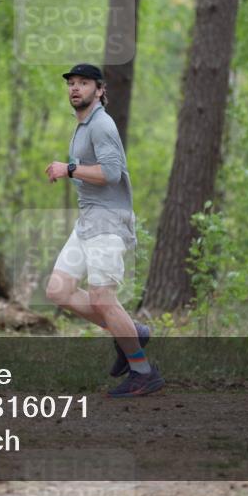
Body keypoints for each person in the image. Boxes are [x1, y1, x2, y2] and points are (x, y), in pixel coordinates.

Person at [44, 63, 164, 398]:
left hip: (109, 221)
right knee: (58, 290)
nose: (75, 88)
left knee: (102, 297)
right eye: (71, 83)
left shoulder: (102, 125)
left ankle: (143, 371)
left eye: (83, 83)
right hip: (88, 221)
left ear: (100, 90)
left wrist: (68, 169)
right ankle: (130, 331)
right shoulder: (82, 126)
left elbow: (111, 173)